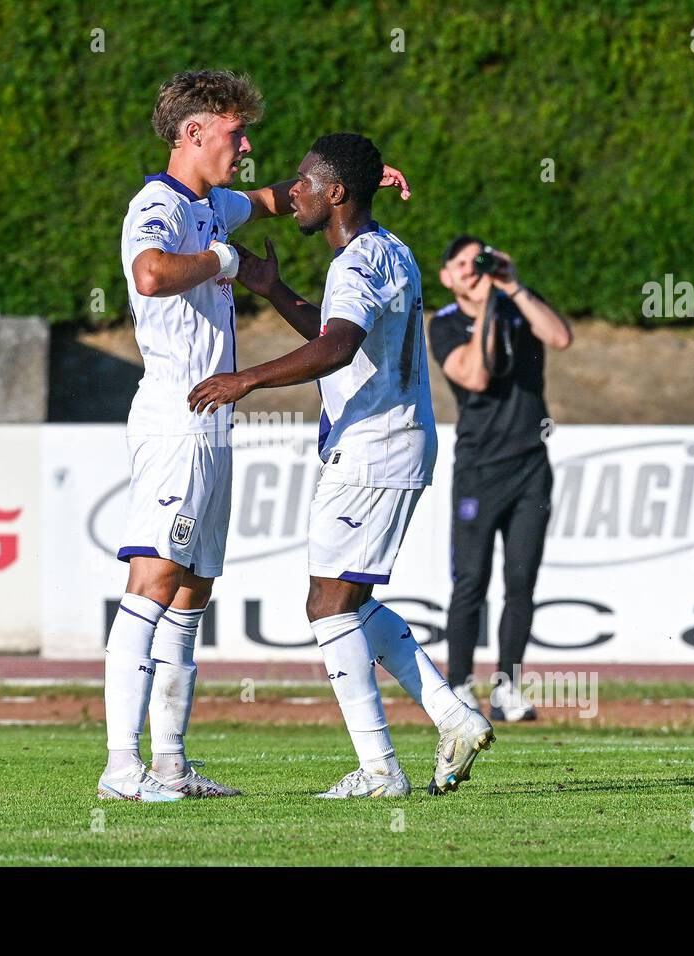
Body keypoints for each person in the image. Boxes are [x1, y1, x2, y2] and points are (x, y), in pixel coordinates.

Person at [101, 73, 411, 801]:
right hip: (176, 419)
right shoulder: (158, 206)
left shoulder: (214, 205)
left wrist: (363, 177)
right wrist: (228, 262)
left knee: (192, 593)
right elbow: (149, 275)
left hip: (212, 423)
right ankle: (122, 768)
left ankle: (171, 764)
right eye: (235, 133)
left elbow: (278, 196)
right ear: (194, 133)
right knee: (151, 582)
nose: (245, 145)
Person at [189, 133, 493, 798]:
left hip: (373, 448)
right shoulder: (387, 250)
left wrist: (245, 380)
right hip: (392, 443)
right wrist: (273, 289)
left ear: (336, 194)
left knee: (328, 605)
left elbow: (336, 348)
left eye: (303, 181)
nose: (290, 191)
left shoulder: (356, 263)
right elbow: (338, 336)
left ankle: (381, 771)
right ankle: (453, 715)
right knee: (348, 601)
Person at [428, 236, 572, 722]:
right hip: (478, 467)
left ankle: (509, 684)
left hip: (530, 463)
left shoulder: (515, 305)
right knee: (470, 580)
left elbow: (560, 338)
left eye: (480, 262)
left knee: (521, 580)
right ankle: (460, 684)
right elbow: (475, 376)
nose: (474, 271)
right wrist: (490, 303)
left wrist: (513, 286)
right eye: (463, 265)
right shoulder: (445, 324)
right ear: (447, 277)